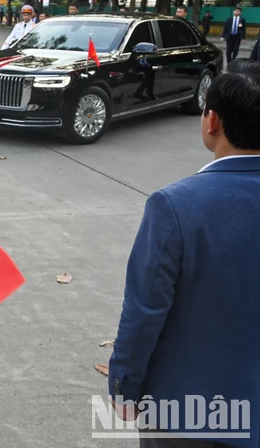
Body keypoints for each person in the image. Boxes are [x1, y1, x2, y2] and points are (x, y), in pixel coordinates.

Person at [109, 60, 260, 447]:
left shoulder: (176, 206)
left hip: (187, 408)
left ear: (212, 121)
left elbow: (144, 311)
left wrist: (125, 386)